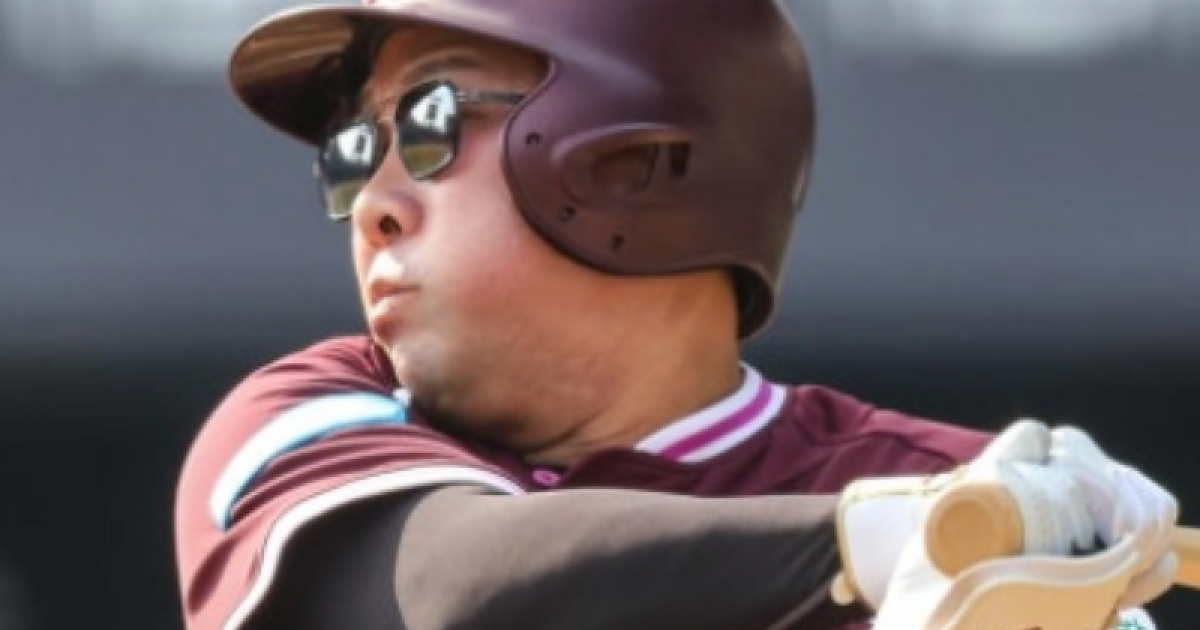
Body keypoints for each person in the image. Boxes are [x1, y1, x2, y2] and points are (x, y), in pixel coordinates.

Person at [172, 1, 1179, 629]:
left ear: (635, 162)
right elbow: (444, 595)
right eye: (355, 150)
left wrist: (1068, 580)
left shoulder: (957, 495)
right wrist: (884, 541)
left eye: (431, 124)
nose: (374, 204)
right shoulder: (309, 418)